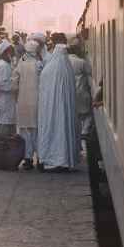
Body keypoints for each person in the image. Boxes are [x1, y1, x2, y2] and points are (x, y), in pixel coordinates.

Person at [37, 33, 79, 172]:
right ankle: (63, 159)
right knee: (63, 131)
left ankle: (52, 159)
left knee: (52, 132)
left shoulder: (50, 68)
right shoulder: (67, 69)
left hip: (51, 112)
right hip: (64, 112)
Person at [11, 39, 41, 170]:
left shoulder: (20, 65)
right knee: (37, 131)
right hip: (37, 102)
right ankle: (40, 158)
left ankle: (28, 159)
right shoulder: (39, 64)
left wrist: (16, 95)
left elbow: (13, 83)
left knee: (25, 132)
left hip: (23, 102)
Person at [68, 43, 93, 157]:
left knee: (74, 120)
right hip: (82, 93)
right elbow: (90, 72)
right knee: (87, 115)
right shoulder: (81, 62)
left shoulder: (65, 61)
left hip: (70, 94)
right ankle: (85, 132)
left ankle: (76, 145)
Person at [0, 39, 16, 136]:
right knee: (4, 137)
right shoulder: (3, 66)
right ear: (6, 52)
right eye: (11, 50)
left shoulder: (5, 64)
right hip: (3, 107)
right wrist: (16, 83)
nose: (13, 53)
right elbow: (2, 85)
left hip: (7, 106)